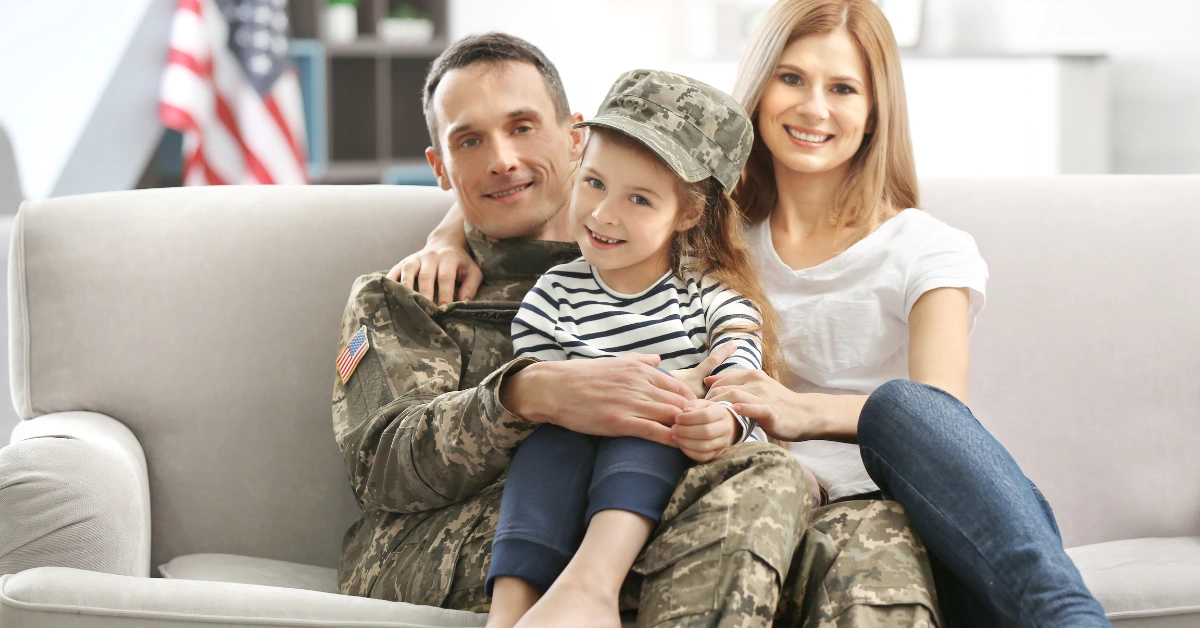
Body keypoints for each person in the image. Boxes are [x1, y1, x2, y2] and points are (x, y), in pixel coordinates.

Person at [395, 2, 1113, 627]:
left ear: (874, 113)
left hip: (884, 481)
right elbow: (562, 181)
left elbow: (943, 420)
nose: (813, 108)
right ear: (759, 88)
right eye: (792, 79)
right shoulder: (705, 234)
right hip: (744, 478)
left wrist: (800, 411)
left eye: (843, 88)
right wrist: (449, 230)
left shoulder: (926, 248)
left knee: (906, 411)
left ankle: (1063, 616)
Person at [345, 31, 939, 628]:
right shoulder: (405, 295)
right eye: (469, 141)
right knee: (766, 480)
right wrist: (525, 395)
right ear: (440, 168)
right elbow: (378, 465)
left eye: (522, 127)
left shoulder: (660, 257)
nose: (501, 157)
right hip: (487, 546)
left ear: (574, 138)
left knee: (875, 529)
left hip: (664, 510)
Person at [486, 69, 780, 628]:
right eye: (593, 182)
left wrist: (723, 415)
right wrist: (679, 379)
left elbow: (741, 369)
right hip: (570, 452)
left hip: (667, 457)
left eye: (639, 199)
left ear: (689, 214)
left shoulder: (708, 296)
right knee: (549, 443)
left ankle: (594, 587)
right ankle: (511, 610)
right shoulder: (553, 295)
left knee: (651, 420)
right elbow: (548, 382)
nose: (603, 214)